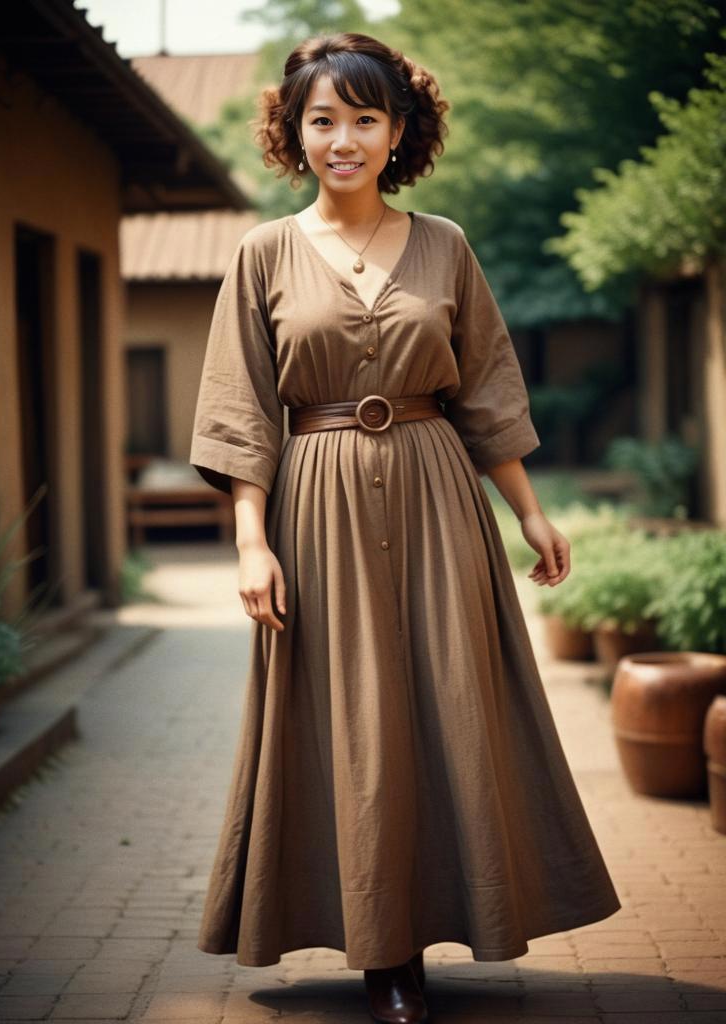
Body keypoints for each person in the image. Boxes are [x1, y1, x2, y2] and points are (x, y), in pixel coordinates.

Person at [189, 31, 621, 1024]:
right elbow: (242, 407)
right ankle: (380, 950)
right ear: (294, 134)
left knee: (449, 707)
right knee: (352, 725)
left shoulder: (447, 246)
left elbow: (485, 388)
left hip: (436, 496)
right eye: (323, 120)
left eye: (364, 118)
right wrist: (253, 543)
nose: (344, 138)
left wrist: (530, 511)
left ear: (398, 131)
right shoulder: (263, 253)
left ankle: (436, 927)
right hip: (317, 504)